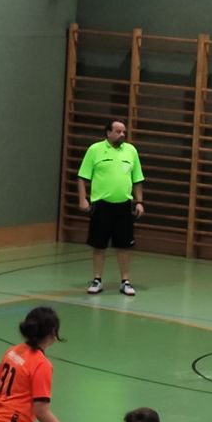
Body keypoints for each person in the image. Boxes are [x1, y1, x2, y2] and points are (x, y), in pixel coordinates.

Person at [77, 119, 144, 297]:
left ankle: (125, 281)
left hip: (124, 206)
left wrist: (139, 202)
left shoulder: (131, 151)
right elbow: (82, 177)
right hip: (101, 205)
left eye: (124, 132)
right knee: (99, 245)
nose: (122, 134)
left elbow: (137, 179)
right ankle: (97, 280)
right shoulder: (95, 150)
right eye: (118, 131)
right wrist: (83, 199)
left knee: (124, 245)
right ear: (108, 132)